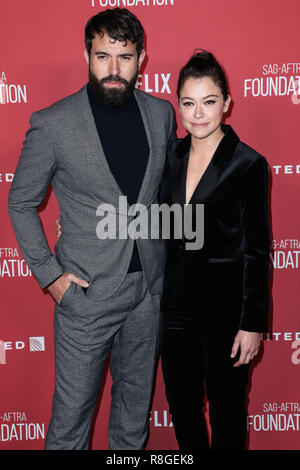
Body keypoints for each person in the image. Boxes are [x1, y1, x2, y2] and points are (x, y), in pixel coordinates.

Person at [8, 8, 175, 450]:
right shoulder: (53, 123)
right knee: (70, 424)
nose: (114, 70)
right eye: (103, 56)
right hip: (86, 294)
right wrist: (51, 277)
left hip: (147, 293)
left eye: (125, 57)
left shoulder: (162, 115)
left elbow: (163, 194)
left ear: (142, 58)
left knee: (133, 419)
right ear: (86, 54)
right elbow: (21, 202)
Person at [159, 51, 270, 450]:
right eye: (188, 103)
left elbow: (259, 250)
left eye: (208, 102)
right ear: (179, 106)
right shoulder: (169, 157)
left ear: (226, 103)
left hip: (226, 315)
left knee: (227, 418)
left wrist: (253, 323)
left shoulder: (248, 164)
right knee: (183, 411)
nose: (198, 114)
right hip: (174, 312)